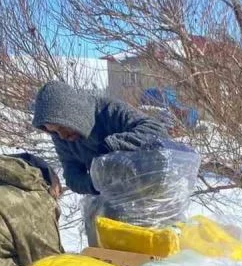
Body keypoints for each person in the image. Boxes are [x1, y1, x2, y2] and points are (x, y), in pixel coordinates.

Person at [32, 79, 167, 195]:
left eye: (62, 128)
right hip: (112, 198)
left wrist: (112, 147)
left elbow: (156, 130)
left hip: (151, 188)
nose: (62, 135)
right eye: (54, 131)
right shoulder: (61, 137)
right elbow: (71, 175)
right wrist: (97, 182)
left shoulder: (109, 110)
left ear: (73, 116)